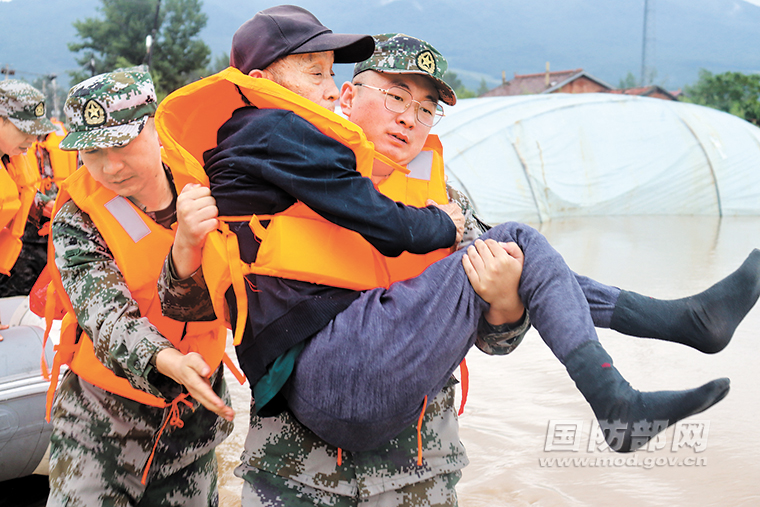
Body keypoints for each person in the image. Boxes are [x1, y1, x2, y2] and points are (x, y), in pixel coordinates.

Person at [158, 10, 755, 504]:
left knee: (513, 253)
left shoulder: (445, 198)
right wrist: (185, 251)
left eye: (425, 109)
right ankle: (666, 339)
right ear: (345, 95)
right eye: (394, 95)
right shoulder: (278, 157)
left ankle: (674, 333)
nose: (407, 117)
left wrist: (502, 308)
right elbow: (190, 309)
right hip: (296, 470)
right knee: (516, 241)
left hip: (416, 472)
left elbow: (509, 325)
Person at [45, 67, 234, 507]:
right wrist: (167, 361)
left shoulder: (213, 182)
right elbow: (104, 313)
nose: (110, 166)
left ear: (153, 125)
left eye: (121, 143)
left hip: (190, 429)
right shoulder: (78, 217)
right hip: (99, 424)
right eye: (92, 151)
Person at [0, 80, 56, 297]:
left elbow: (17, 192)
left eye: (37, 131)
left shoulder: (8, 157)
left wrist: (48, 207)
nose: (32, 139)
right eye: (25, 129)